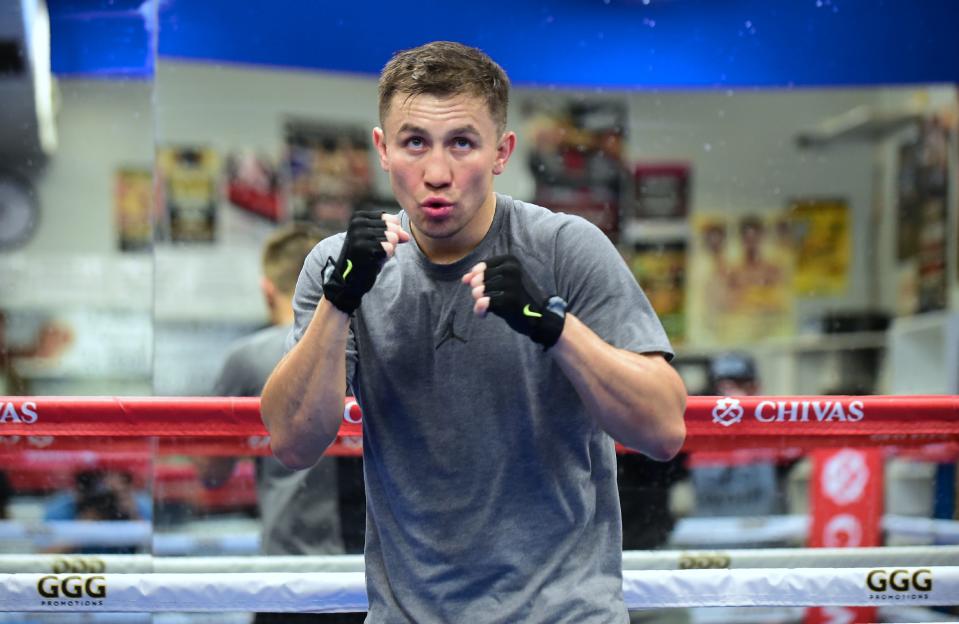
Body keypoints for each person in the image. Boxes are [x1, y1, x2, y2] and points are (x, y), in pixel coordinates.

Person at [261, 41, 687, 623]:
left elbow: (663, 428)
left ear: (501, 152)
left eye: (462, 142)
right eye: (415, 142)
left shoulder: (564, 248)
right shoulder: (335, 265)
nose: (437, 173)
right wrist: (340, 301)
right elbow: (292, 443)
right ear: (383, 149)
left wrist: (554, 327)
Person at [195, 223, 365, 624]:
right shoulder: (369, 340)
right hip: (373, 572)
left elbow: (211, 470)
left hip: (291, 578)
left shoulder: (250, 357)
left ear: (266, 288)